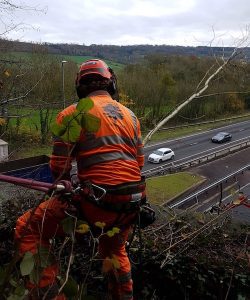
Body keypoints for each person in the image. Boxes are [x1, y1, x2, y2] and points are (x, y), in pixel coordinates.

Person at [15, 59, 145, 299]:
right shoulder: (131, 116)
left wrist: (68, 182)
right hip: (131, 203)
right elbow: (138, 164)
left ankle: (49, 294)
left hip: (96, 203)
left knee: (29, 228)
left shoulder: (71, 115)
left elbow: (59, 168)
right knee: (114, 249)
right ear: (111, 84)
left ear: (79, 87)